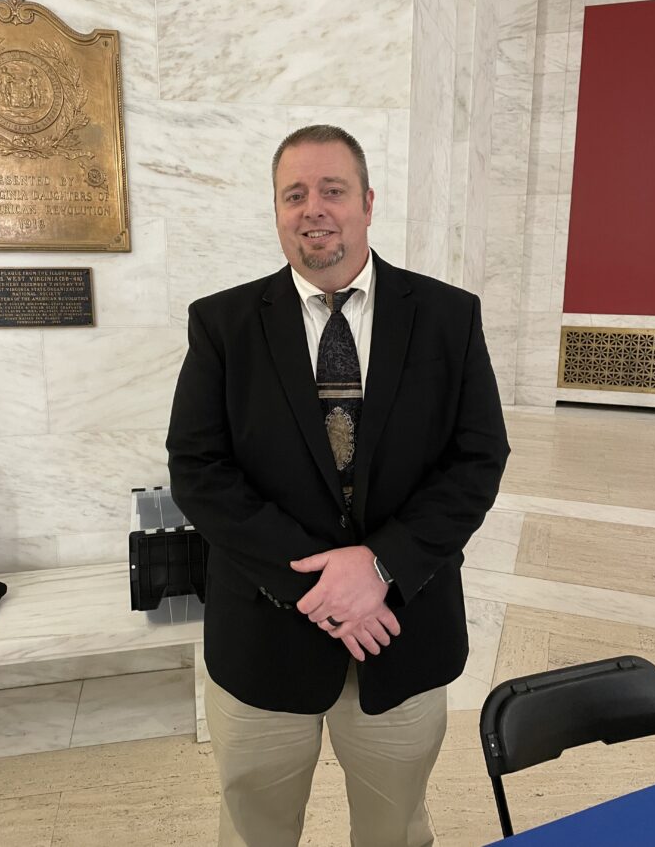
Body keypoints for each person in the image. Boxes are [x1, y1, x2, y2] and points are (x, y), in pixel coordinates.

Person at [166, 124, 510, 847]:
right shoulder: (222, 324)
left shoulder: (448, 316)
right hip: (264, 639)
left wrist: (380, 565)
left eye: (332, 190)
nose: (313, 208)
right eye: (295, 194)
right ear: (277, 210)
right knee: (254, 831)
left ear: (367, 203)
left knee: (396, 830)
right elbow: (199, 469)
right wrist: (321, 587)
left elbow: (478, 457)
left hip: (401, 634)